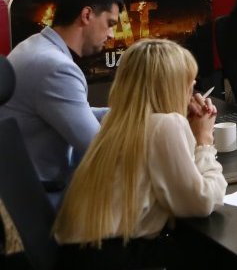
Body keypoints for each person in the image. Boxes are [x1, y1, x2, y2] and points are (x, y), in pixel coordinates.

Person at [53, 39, 225, 269]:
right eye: (189, 85)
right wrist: (204, 141)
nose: (193, 92)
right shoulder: (165, 125)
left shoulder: (115, 122)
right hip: (120, 257)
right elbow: (202, 202)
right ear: (171, 86)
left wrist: (190, 133)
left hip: (80, 256)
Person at [0, 0, 123, 203]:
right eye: (110, 23)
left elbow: (77, 113)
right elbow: (100, 149)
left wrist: (133, 113)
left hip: (20, 190)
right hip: (44, 198)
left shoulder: (34, 45)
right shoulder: (56, 67)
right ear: (87, 15)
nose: (112, 35)